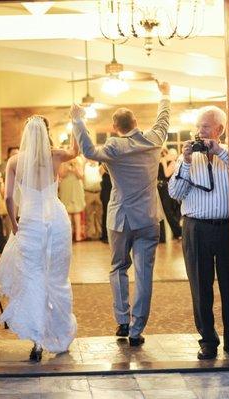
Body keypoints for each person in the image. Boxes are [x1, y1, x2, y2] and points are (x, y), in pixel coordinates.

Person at [72, 81, 171, 347]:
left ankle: (123, 320)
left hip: (120, 218)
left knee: (118, 268)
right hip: (148, 217)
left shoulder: (115, 146)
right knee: (144, 273)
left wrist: (78, 121)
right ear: (136, 121)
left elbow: (89, 151)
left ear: (115, 127)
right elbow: (163, 118)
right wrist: (164, 95)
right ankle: (137, 330)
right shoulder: (154, 138)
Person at [0, 115, 79, 362]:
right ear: (47, 133)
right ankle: (61, 334)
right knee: (57, 279)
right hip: (56, 222)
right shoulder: (56, 155)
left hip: (30, 223)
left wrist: (14, 223)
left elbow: (8, 197)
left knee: (34, 279)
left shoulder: (15, 161)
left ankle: (37, 341)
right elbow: (76, 150)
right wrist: (76, 123)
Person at [168, 105, 229, 360]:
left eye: (204, 127)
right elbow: (174, 194)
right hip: (196, 229)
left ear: (219, 130)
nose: (199, 132)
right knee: (200, 287)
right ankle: (208, 340)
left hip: (228, 229)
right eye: (198, 127)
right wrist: (184, 162)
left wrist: (220, 153)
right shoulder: (188, 158)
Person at [58, 155, 86, 241]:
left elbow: (81, 176)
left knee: (77, 210)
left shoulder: (78, 160)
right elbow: (61, 174)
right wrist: (67, 166)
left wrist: (75, 167)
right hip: (66, 186)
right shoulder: (63, 161)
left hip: (76, 187)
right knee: (67, 211)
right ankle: (68, 236)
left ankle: (78, 236)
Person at [158, 148, 182, 242]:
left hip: (167, 189)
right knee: (164, 211)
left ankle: (179, 232)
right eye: (169, 154)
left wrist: (164, 163)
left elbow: (167, 174)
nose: (169, 156)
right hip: (160, 188)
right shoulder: (162, 161)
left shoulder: (173, 163)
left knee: (168, 211)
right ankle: (172, 234)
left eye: (172, 155)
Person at [83, 160, 103, 240]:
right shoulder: (85, 165)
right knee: (88, 214)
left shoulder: (99, 164)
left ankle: (99, 233)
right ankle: (89, 234)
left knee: (99, 214)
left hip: (98, 192)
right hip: (88, 192)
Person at [99, 163, 112, 244]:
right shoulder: (103, 162)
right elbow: (101, 171)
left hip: (114, 188)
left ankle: (111, 235)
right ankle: (105, 235)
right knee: (106, 211)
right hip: (106, 189)